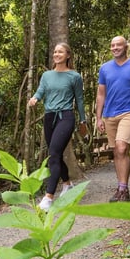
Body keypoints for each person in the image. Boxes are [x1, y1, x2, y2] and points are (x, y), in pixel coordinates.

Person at [28, 42, 88, 211]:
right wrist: (35, 99)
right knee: (56, 155)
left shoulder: (74, 76)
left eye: (60, 52)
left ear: (68, 55)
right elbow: (40, 91)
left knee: (53, 154)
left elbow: (80, 99)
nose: (56, 54)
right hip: (49, 117)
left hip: (66, 117)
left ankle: (48, 197)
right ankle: (67, 185)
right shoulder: (46, 75)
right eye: (55, 51)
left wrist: (83, 121)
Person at [95, 36, 130, 202]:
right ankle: (121, 188)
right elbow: (101, 94)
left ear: (126, 46)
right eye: (112, 45)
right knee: (116, 152)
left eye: (118, 45)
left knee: (121, 148)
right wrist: (98, 117)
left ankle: (124, 188)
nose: (114, 48)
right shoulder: (105, 68)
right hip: (109, 114)